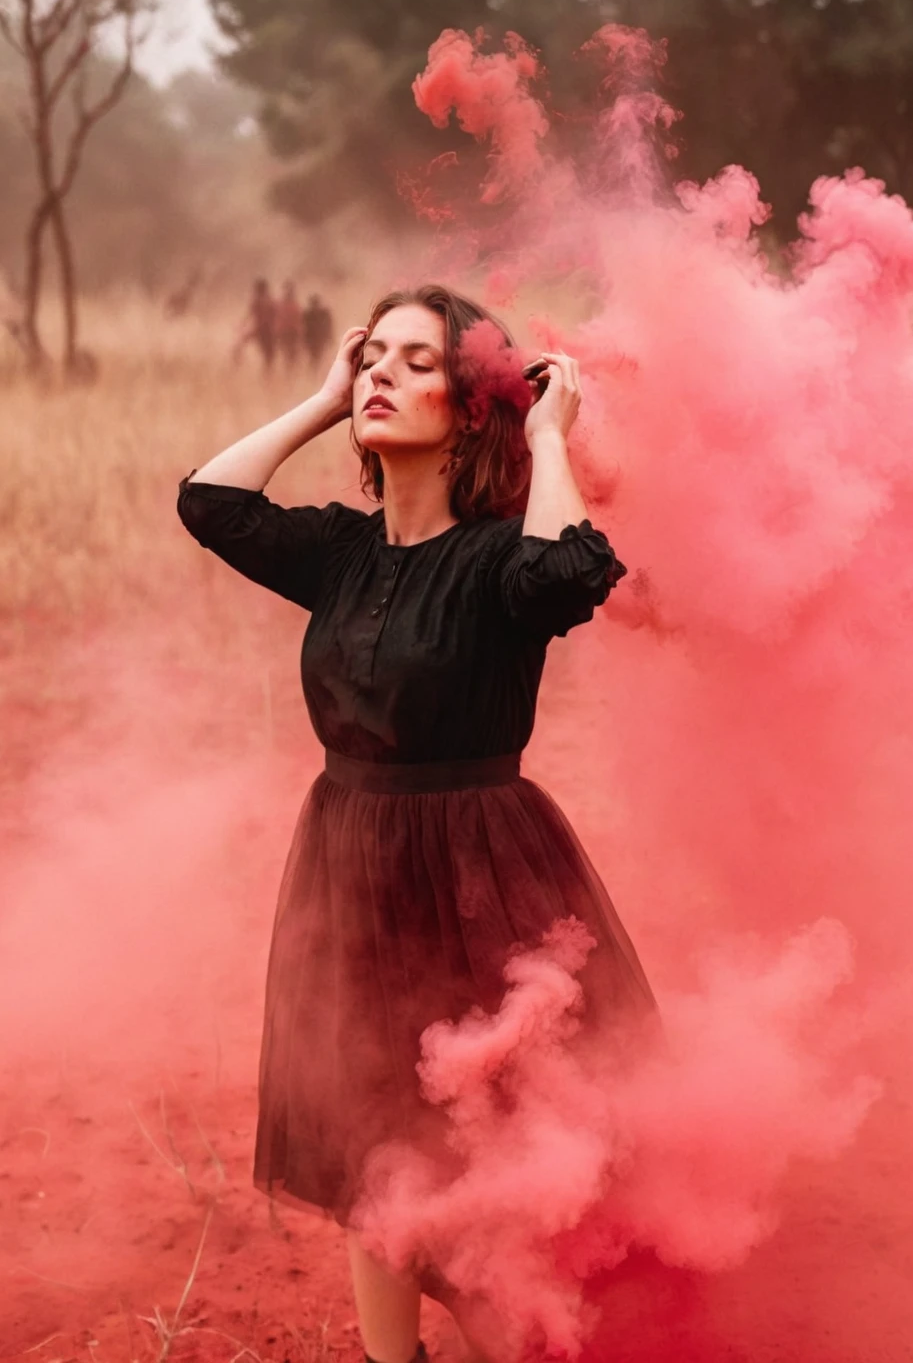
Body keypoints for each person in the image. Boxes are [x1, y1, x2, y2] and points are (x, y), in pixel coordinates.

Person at [176, 284, 657, 1363]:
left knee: (472, 1161)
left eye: (414, 360)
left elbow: (569, 571)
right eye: (373, 354)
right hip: (347, 864)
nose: (382, 372)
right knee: (370, 1142)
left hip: (477, 872)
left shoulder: (498, 560)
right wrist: (321, 399)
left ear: (470, 402)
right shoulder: (338, 555)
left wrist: (545, 433)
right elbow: (210, 503)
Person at [233, 277, 276, 371]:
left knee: (239, 346)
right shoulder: (270, 300)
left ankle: (237, 364)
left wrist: (241, 324)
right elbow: (275, 315)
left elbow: (249, 314)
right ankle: (267, 373)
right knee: (269, 356)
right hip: (267, 330)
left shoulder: (257, 300)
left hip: (260, 329)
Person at [275, 279, 303, 367]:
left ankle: (291, 368)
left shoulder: (294, 304)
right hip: (286, 331)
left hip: (291, 332)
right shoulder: (282, 304)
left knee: (291, 353)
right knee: (287, 353)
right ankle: (289, 368)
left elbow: (298, 319)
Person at [302, 292, 334, 366]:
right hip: (312, 339)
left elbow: (327, 326)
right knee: (314, 356)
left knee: (318, 356)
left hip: (319, 339)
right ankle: (314, 370)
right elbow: (305, 328)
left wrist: (330, 336)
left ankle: (315, 370)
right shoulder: (308, 314)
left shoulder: (322, 313)